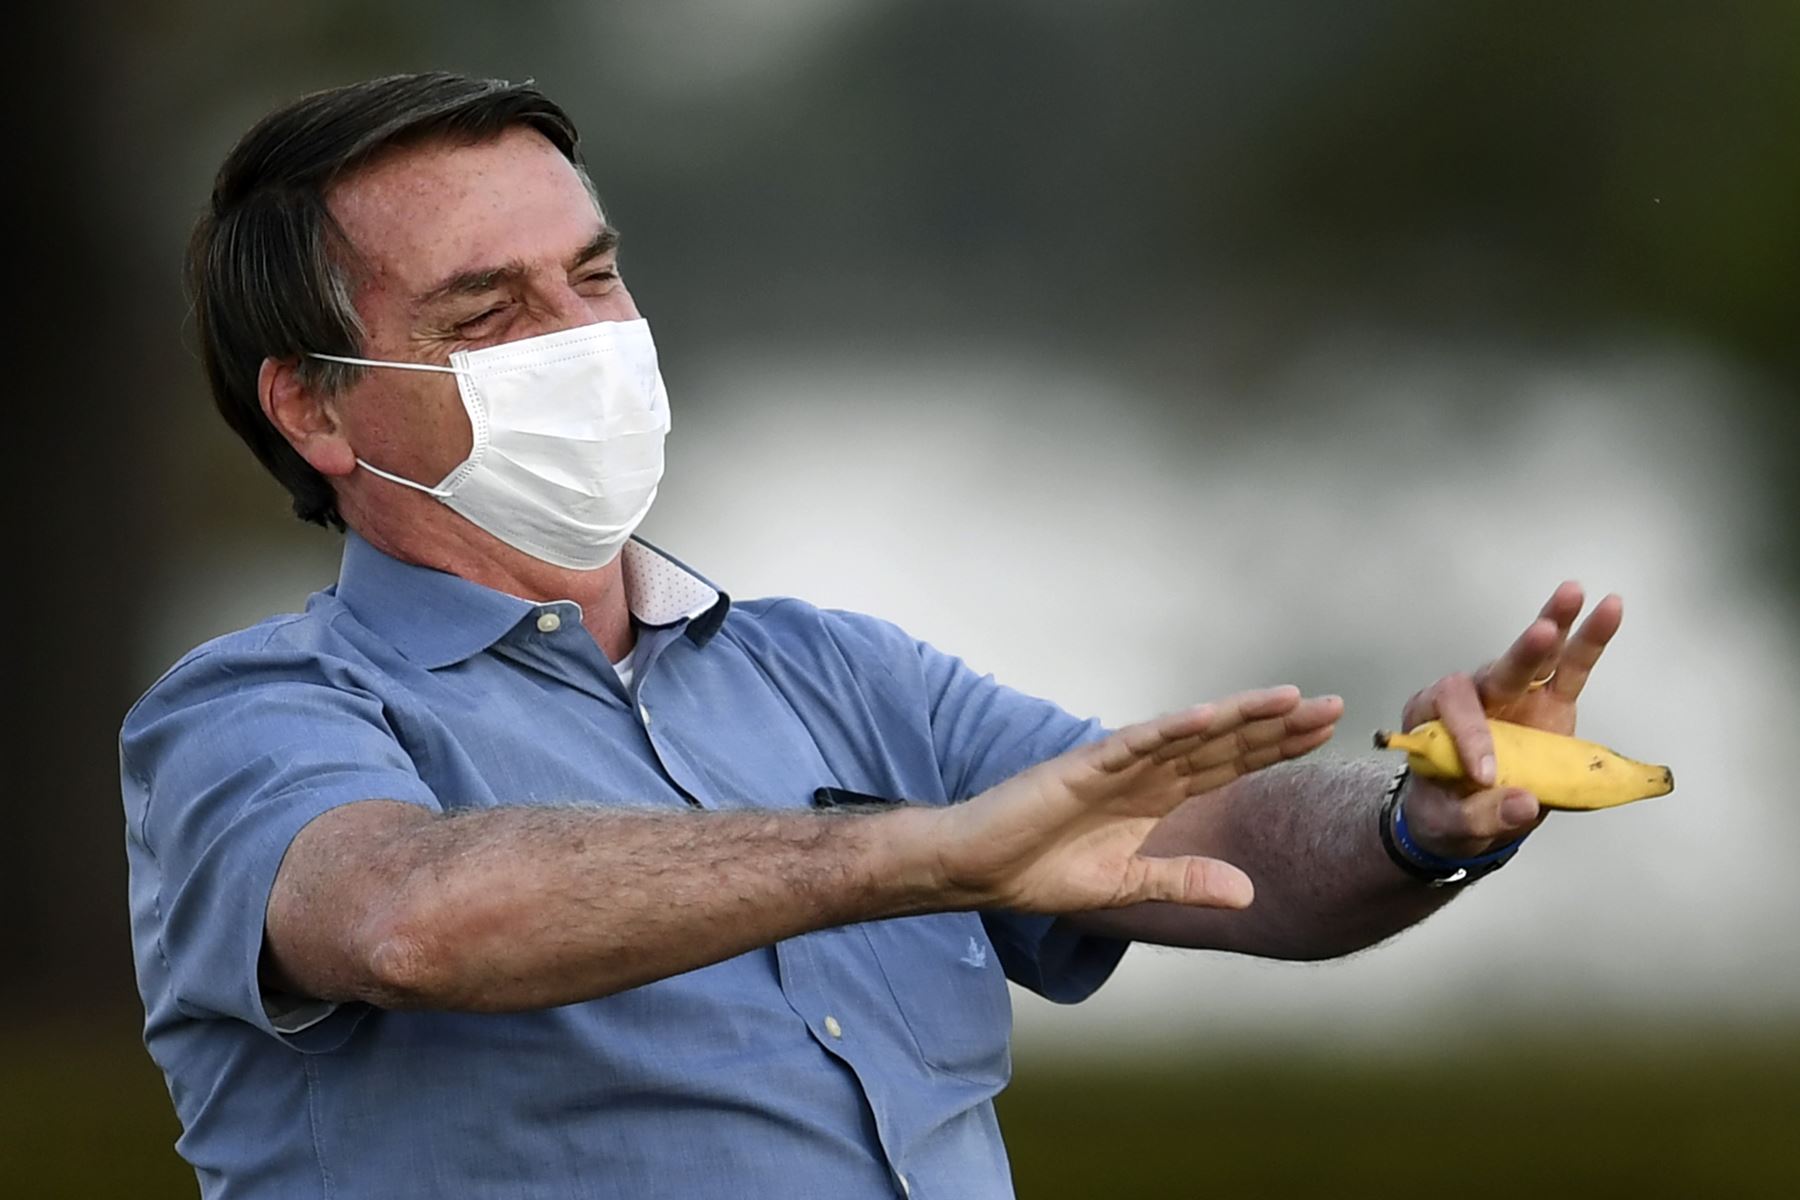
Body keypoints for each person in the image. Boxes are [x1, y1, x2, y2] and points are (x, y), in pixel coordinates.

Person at [122, 72, 1623, 1199]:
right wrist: (914, 856)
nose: (583, 338)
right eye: (487, 311)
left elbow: (1204, 848)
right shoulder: (253, 711)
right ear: (312, 407)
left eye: (593, 274)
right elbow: (401, 917)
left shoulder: (834, 669)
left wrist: (1421, 814)